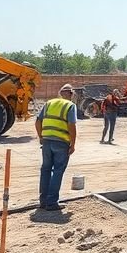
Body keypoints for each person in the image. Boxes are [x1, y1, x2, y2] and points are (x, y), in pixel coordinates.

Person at [36, 83, 78, 212]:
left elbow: (38, 121)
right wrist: (73, 144)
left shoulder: (49, 103)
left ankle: (43, 201)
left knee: (46, 170)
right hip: (61, 143)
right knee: (58, 171)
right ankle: (52, 202)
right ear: (71, 94)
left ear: (61, 93)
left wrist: (41, 137)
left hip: (47, 141)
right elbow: (71, 126)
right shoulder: (70, 106)